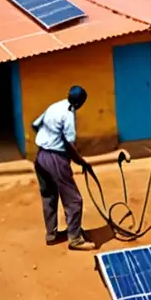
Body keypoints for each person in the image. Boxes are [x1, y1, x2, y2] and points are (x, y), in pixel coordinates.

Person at [31, 85, 96, 251]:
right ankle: (75, 239)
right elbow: (69, 145)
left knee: (49, 196)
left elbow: (35, 124)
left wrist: (46, 139)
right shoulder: (68, 115)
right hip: (55, 158)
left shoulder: (55, 106)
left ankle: (51, 235)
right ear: (81, 103)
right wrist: (82, 162)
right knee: (74, 200)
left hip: (40, 157)